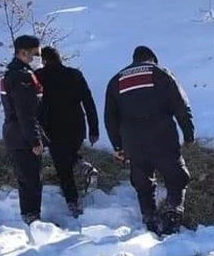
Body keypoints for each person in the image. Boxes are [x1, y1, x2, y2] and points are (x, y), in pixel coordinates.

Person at [104, 45, 195, 236]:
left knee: (142, 182)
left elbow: (110, 117)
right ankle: (172, 218)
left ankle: (150, 220)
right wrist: (188, 134)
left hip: (132, 141)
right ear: (153, 58)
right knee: (177, 177)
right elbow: (181, 104)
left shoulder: (116, 80)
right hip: (162, 136)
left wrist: (118, 145)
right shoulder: (161, 73)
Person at [35, 46, 100, 218]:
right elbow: (88, 101)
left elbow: (35, 105)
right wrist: (94, 128)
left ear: (44, 60)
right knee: (69, 155)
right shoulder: (75, 74)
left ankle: (73, 202)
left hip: (53, 128)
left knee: (63, 168)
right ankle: (82, 166)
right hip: (77, 126)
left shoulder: (39, 76)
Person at [0, 34, 44, 225]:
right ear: (23, 52)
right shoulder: (22, 77)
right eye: (34, 54)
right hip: (22, 136)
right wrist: (35, 140)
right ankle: (32, 220)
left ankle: (31, 216)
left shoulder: (12, 73)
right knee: (31, 180)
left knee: (27, 179)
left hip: (15, 133)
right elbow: (25, 112)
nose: (36, 59)